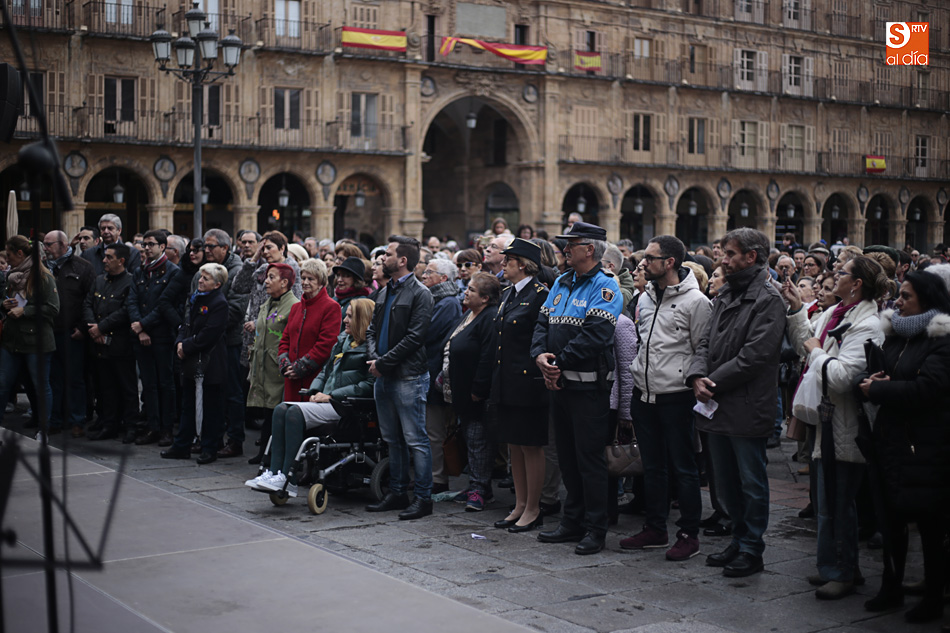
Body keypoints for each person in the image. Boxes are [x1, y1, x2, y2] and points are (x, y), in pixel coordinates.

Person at [783, 256, 888, 599]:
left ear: (857, 284)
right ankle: (837, 566)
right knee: (827, 500)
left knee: (839, 501)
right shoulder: (836, 313)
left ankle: (842, 571)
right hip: (825, 418)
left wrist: (816, 354)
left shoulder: (867, 323)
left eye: (842, 273)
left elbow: (843, 377)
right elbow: (807, 343)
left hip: (845, 422)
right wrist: (798, 310)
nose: (835, 275)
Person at [687, 228, 786, 578]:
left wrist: (711, 382)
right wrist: (697, 375)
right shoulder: (727, 292)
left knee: (751, 482)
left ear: (751, 256)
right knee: (725, 481)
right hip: (716, 402)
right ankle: (737, 539)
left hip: (745, 404)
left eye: (729, 254)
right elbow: (704, 342)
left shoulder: (769, 299)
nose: (723, 260)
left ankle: (752, 547)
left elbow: (755, 356)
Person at [859, 270, 950, 623]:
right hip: (892, 441)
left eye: (907, 296)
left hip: (926, 445)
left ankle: (933, 594)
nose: (898, 301)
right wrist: (870, 382)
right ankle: (890, 585)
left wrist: (880, 389)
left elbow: (927, 389)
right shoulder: (896, 335)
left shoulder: (942, 340)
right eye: (899, 294)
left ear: (926, 300)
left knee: (929, 523)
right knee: (891, 518)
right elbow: (882, 375)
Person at [532, 221, 622, 555]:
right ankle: (572, 521)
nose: (565, 249)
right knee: (568, 460)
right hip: (559, 387)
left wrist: (557, 364)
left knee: (589, 461)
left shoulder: (606, 286)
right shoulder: (561, 282)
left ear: (590, 249)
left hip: (588, 391)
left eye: (572, 244)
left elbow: (596, 335)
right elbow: (542, 323)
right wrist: (539, 356)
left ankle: (595, 529)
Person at [621, 236, 712, 561]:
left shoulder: (696, 302)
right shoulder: (645, 298)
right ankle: (655, 528)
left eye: (650, 258)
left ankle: (689, 534)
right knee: (653, 467)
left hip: (677, 396)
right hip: (643, 394)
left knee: (684, 469)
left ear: (670, 262)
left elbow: (704, 348)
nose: (643, 263)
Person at [248, 297, 378, 494]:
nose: (345, 320)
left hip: (347, 406)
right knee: (281, 409)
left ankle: (288, 478)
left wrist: (331, 395)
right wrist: (316, 390)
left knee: (293, 413)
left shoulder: (370, 350)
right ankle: (273, 472)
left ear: (362, 319)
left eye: (350, 317)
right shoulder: (342, 341)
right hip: (329, 401)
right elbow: (325, 371)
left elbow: (368, 385)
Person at [365, 236, 435, 520]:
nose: (383, 257)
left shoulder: (421, 293)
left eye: (389, 253)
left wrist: (383, 362)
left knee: (415, 439)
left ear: (403, 260)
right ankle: (397, 492)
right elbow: (371, 330)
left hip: (408, 376)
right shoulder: (384, 292)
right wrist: (375, 360)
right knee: (391, 439)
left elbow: (415, 338)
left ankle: (423, 497)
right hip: (382, 375)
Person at [491, 239, 550, 532]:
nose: (503, 264)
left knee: (530, 445)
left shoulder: (540, 295)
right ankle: (519, 504)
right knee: (514, 444)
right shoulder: (508, 295)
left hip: (529, 382)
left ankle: (533, 507)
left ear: (523, 265)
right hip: (507, 380)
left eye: (508, 260)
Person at [441, 272, 499, 510]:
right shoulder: (469, 314)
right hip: (461, 391)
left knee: (479, 442)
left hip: (476, 395)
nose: (465, 291)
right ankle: (478, 485)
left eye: (472, 290)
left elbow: (487, 355)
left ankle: (479, 489)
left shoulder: (489, 318)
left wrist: (478, 388)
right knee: (470, 439)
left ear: (485, 298)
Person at [161, 263, 229, 464]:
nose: (200, 280)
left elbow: (209, 334)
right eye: (201, 277)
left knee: (210, 407)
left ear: (217, 284)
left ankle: (210, 448)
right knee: (188, 404)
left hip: (210, 361)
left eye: (206, 278)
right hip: (191, 359)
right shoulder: (196, 298)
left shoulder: (219, 303)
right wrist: (180, 343)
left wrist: (186, 346)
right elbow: (186, 324)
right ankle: (182, 445)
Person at [0, 236, 60, 433]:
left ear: (20, 253)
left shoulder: (43, 277)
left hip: (37, 341)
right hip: (12, 340)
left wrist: (25, 311)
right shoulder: (13, 276)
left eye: (9, 255)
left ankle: (44, 429)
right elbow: (9, 298)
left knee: (41, 387)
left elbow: (52, 308)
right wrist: (5, 304)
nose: (6, 259)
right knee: (3, 383)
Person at [201, 229, 251, 459]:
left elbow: (236, 309)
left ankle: (235, 439)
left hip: (230, 340)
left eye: (211, 246)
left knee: (232, 391)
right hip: (212, 339)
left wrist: (210, 325)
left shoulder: (237, 270)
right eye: (205, 246)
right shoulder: (207, 268)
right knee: (216, 391)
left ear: (225, 247)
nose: (207, 250)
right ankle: (214, 436)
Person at [128, 230, 181, 446]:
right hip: (141, 336)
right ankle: (153, 426)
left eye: (151, 244)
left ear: (162, 246)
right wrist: (139, 329)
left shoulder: (172, 272)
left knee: (165, 383)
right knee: (148, 384)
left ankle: (167, 429)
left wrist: (144, 324)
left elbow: (164, 305)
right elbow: (132, 300)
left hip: (162, 336)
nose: (147, 248)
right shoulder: (140, 271)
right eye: (144, 244)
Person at [83, 242, 138, 442]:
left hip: (120, 344)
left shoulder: (131, 281)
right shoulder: (99, 280)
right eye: (104, 257)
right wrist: (92, 327)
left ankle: (131, 426)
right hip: (98, 343)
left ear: (121, 261)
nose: (104, 261)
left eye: (109, 257)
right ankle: (109, 424)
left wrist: (102, 327)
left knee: (127, 387)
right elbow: (88, 303)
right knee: (106, 388)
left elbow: (125, 311)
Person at [246, 263, 300, 464]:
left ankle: (273, 454)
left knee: (275, 412)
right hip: (262, 366)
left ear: (284, 282)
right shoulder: (266, 303)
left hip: (278, 369)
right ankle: (265, 453)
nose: (266, 281)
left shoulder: (293, 305)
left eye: (271, 277)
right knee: (267, 412)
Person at [44, 230, 94, 437]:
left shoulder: (82, 267)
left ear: (63, 245)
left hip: (72, 332)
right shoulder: (42, 267)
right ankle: (55, 419)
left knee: (75, 378)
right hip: (48, 332)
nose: (45, 248)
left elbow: (89, 301)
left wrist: (83, 328)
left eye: (49, 244)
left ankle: (77, 420)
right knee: (52, 378)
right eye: (44, 244)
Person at [421, 258, 463, 495]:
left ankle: (438, 478)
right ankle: (429, 475)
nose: (424, 275)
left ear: (443, 278)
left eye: (429, 272)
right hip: (425, 371)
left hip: (434, 373)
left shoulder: (447, 303)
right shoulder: (433, 299)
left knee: (434, 431)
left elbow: (428, 334)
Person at [277, 258, 340, 402]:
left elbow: (326, 344)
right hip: (291, 378)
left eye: (310, 279)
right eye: (303, 278)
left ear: (321, 281)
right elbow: (285, 339)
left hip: (313, 378)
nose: (305, 282)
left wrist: (300, 367)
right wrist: (285, 364)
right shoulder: (296, 308)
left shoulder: (331, 307)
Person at [332, 256, 372, 328]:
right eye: (338, 275)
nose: (339, 280)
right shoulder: (334, 299)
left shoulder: (361, 301)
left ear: (356, 279)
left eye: (345, 276)